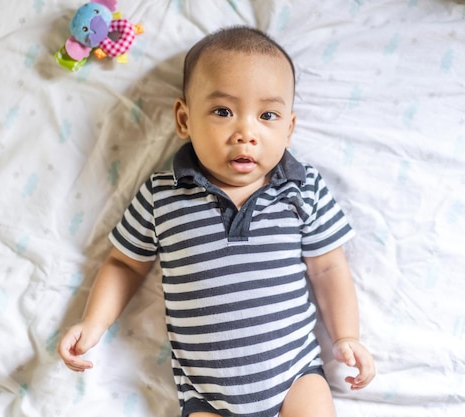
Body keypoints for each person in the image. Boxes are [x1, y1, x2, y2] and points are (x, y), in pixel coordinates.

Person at [58, 26, 375, 417]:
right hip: (206, 395)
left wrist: (348, 336)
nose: (246, 132)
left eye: (268, 115)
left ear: (288, 129)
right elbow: (124, 264)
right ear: (184, 119)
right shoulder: (162, 195)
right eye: (223, 112)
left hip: (296, 376)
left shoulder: (302, 187)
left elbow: (328, 267)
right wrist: (93, 323)